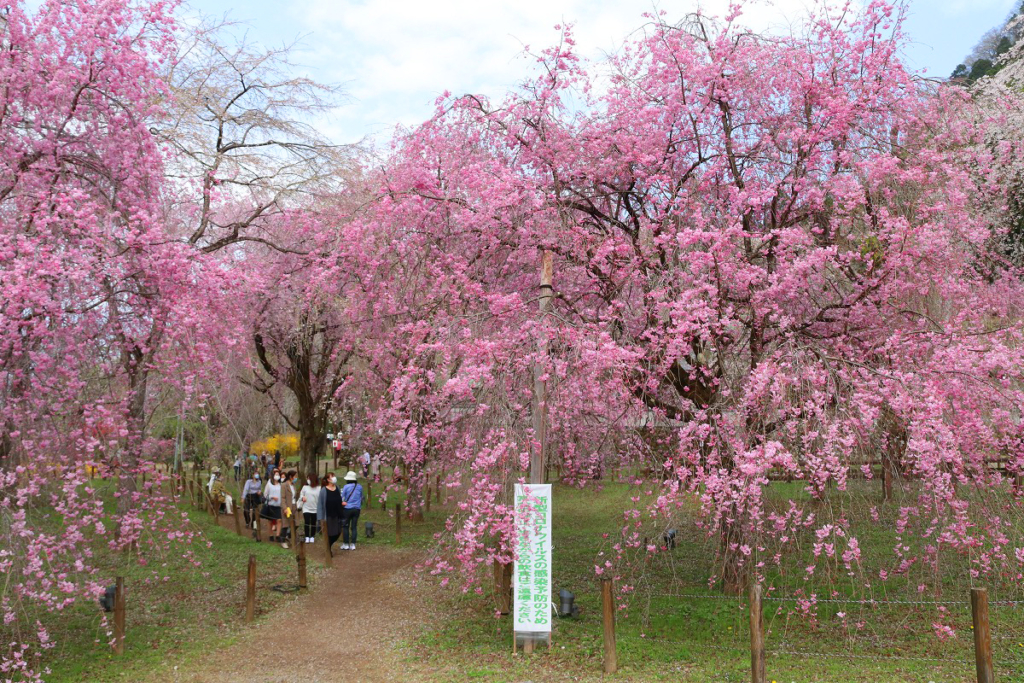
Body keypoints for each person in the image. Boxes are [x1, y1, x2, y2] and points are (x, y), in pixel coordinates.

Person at [317, 472, 343, 555]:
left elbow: (339, 500)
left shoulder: (337, 488)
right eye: (332, 477)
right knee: (329, 533)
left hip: (337, 514)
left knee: (338, 532)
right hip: (328, 515)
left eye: (334, 476)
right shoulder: (324, 490)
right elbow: (320, 504)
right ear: (328, 480)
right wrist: (320, 518)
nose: (334, 478)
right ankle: (328, 550)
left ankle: (328, 546)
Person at [339, 471, 363, 551]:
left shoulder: (346, 487)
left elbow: (342, 497)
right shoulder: (359, 487)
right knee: (354, 526)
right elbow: (361, 497)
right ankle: (353, 544)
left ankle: (346, 544)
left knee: (345, 526)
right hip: (357, 509)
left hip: (347, 509)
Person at [298, 473, 321, 544]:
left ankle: (312, 536)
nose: (308, 480)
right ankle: (307, 536)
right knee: (307, 522)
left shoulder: (319, 488)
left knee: (313, 522)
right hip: (306, 508)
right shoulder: (305, 487)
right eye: (307, 479)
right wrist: (302, 497)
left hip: (315, 508)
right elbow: (301, 495)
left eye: (309, 479)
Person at [262, 468, 284, 542]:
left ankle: (278, 535)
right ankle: (270, 535)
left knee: (279, 520)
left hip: (278, 505)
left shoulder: (281, 484)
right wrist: (272, 497)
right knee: (270, 521)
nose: (277, 476)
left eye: (278, 474)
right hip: (271, 505)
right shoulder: (269, 483)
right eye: (276, 474)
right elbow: (265, 494)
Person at [279, 470, 297, 549]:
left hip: (294, 506)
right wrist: (285, 508)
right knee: (285, 524)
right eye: (295, 476)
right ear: (290, 476)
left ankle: (289, 536)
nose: (296, 478)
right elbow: (282, 498)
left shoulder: (293, 485)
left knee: (296, 523)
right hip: (287, 507)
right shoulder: (284, 485)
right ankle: (282, 541)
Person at [241, 471, 262, 539]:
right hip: (248, 496)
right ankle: (247, 521)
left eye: (257, 474)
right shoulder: (248, 481)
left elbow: (259, 489)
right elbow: (246, 489)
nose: (257, 475)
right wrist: (243, 497)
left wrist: (259, 492)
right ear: (252, 475)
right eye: (255, 474)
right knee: (246, 510)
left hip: (255, 496)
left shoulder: (259, 482)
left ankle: (254, 524)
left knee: (254, 511)